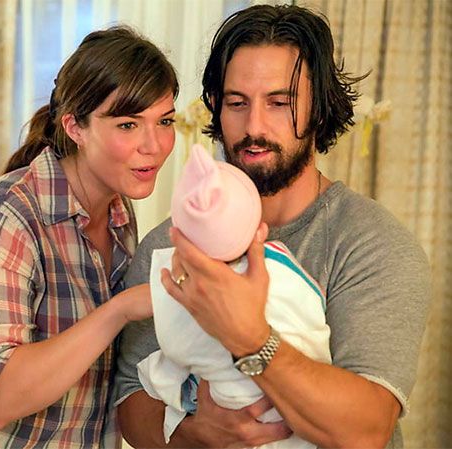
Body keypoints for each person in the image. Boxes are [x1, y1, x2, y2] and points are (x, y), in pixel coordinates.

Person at [115, 5, 431, 449]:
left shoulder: (373, 244)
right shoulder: (171, 245)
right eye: (236, 103)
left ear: (319, 108)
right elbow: (130, 400)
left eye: (279, 103)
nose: (254, 126)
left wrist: (250, 339)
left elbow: (367, 430)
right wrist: (194, 434)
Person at [0, 26, 179, 448]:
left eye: (165, 121)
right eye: (128, 124)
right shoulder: (5, 213)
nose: (154, 145)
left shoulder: (120, 216)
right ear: (75, 127)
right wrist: (120, 309)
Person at [137, 144, 330, 448]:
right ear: (260, 232)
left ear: (180, 237)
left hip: (228, 401)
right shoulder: (283, 270)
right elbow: (313, 308)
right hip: (302, 414)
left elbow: (173, 350)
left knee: (157, 371)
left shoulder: (174, 285)